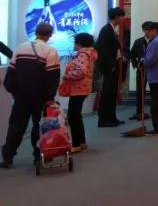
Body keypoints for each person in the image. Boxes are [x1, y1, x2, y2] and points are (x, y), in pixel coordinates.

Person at [1, 24, 60, 168]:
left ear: (35, 32)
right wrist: (49, 97)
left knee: (16, 125)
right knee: (39, 126)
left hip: (21, 95)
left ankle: (8, 157)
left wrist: (14, 91)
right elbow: (53, 77)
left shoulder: (20, 48)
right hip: (41, 97)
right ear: (50, 35)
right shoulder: (50, 51)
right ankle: (39, 157)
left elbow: (11, 73)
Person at [62, 33, 97, 153]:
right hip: (84, 88)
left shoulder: (82, 54)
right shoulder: (90, 53)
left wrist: (67, 75)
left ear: (79, 43)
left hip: (78, 88)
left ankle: (76, 144)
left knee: (73, 116)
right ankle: (82, 142)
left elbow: (81, 71)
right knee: (77, 116)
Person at [95, 7, 126, 128]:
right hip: (109, 67)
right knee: (107, 93)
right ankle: (103, 119)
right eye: (122, 17)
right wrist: (111, 66)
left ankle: (112, 117)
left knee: (112, 93)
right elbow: (104, 51)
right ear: (117, 17)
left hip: (113, 65)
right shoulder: (106, 30)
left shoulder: (112, 29)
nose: (122, 19)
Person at [128, 21, 153, 121]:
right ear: (143, 30)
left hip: (153, 70)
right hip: (141, 69)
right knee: (140, 91)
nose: (148, 32)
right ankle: (139, 112)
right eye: (146, 30)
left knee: (154, 90)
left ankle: (154, 111)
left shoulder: (155, 41)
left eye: (150, 30)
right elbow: (132, 55)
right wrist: (136, 64)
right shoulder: (138, 41)